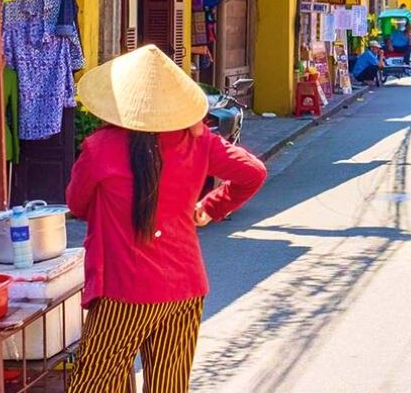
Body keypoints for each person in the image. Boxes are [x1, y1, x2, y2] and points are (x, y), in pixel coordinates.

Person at [66, 45, 268, 393]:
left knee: (95, 384)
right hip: (185, 287)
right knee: (169, 387)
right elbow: (253, 171)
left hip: (123, 292)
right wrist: (211, 207)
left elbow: (77, 203)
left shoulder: (100, 148)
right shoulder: (198, 140)